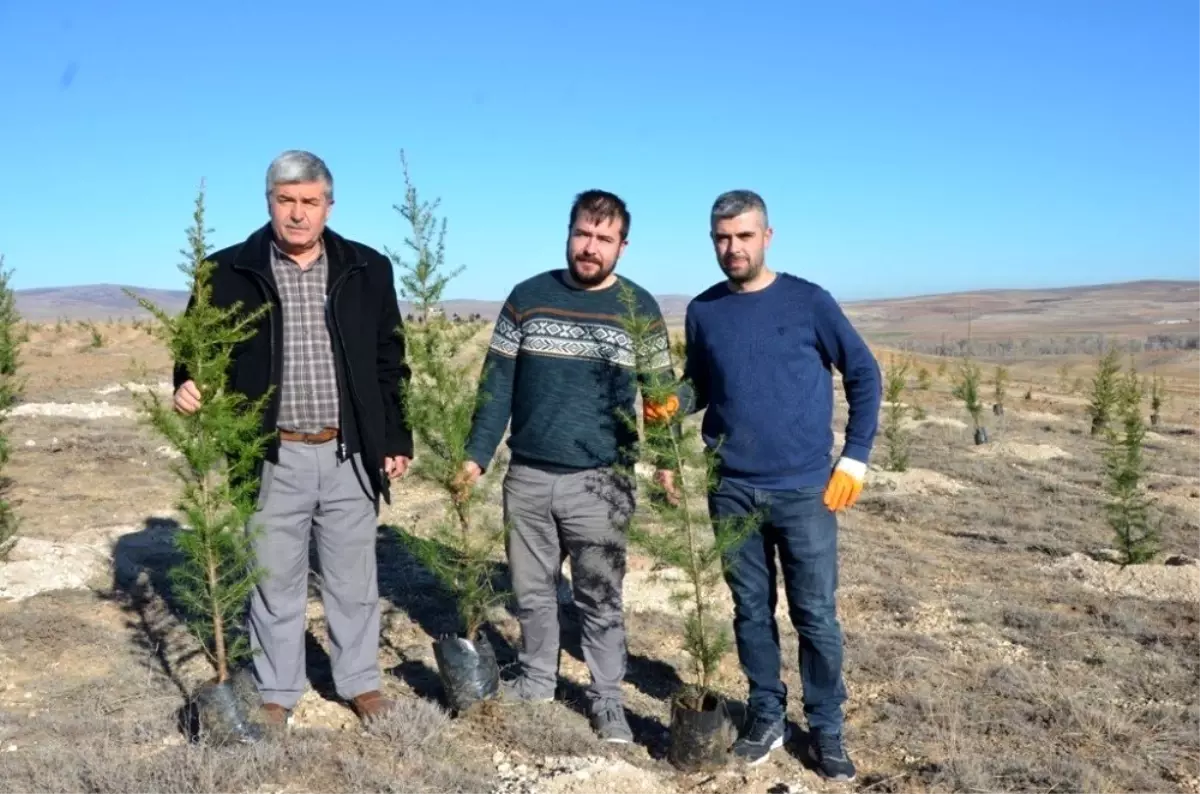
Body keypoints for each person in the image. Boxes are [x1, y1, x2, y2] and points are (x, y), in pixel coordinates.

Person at [172, 150, 413, 729]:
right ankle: (278, 691)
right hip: (269, 451)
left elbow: (390, 359)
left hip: (348, 449)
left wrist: (395, 436)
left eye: (310, 202)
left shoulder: (366, 268)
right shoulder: (226, 270)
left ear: (329, 205)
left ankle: (360, 683)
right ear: (269, 203)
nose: (298, 214)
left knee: (352, 579)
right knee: (274, 578)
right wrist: (185, 381)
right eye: (287, 201)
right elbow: (193, 346)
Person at [658, 189, 880, 779]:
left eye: (743, 236)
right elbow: (703, 383)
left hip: (807, 490)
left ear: (767, 236)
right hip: (730, 488)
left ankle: (827, 728)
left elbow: (863, 372)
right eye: (721, 239)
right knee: (750, 610)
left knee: (815, 616)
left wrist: (854, 457)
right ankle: (765, 715)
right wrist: (674, 402)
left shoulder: (810, 302)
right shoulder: (705, 310)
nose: (732, 248)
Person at [457, 189, 681, 744]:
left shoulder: (639, 309)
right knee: (531, 592)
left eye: (604, 239)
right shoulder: (527, 298)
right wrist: (475, 456)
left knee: (600, 599)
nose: (591, 246)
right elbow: (496, 385)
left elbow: (659, 394)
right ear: (569, 232)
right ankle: (537, 680)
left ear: (622, 247)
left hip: (602, 482)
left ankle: (607, 701)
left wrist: (666, 462)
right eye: (584, 233)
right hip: (528, 475)